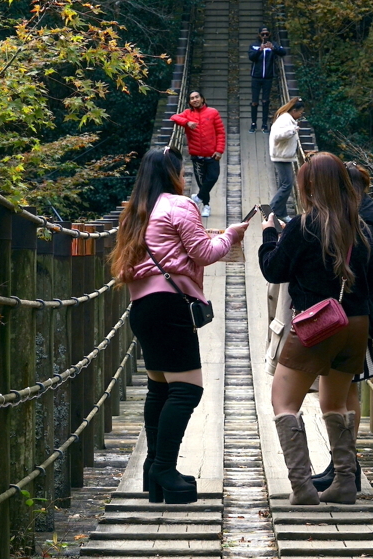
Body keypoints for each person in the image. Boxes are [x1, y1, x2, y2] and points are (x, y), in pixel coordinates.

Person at [111, 147, 249, 504]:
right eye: (182, 171)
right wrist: (231, 234)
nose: (185, 177)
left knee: (159, 388)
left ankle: (155, 470)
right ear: (173, 175)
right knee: (187, 389)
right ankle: (163, 469)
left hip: (142, 307)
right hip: (170, 306)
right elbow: (204, 253)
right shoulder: (179, 205)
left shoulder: (134, 212)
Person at [258, 152, 373, 505]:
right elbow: (370, 283)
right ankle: (343, 483)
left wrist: (269, 235)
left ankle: (303, 488)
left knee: (283, 401)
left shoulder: (304, 225)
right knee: (336, 403)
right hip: (356, 325)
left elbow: (273, 270)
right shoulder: (363, 228)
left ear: (309, 185)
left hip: (317, 322)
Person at [311, 161, 373, 493]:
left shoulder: (358, 221)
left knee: (344, 390)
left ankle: (345, 467)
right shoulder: (360, 216)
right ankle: (342, 465)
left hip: (351, 315)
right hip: (355, 313)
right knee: (347, 389)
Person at [170, 91, 225, 218]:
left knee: (212, 177)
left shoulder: (213, 112)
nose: (195, 100)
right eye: (192, 98)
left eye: (197, 97)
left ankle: (199, 197)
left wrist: (219, 150)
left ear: (202, 98)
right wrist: (187, 123)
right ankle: (206, 205)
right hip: (197, 156)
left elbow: (220, 133)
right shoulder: (188, 114)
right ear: (189, 102)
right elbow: (174, 117)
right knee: (201, 182)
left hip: (212, 154)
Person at [268, 97, 305, 220]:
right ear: (294, 110)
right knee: (287, 184)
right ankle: (271, 210)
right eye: (300, 112)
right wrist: (292, 131)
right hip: (281, 156)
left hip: (283, 156)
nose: (300, 115)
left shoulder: (287, 119)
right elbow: (277, 136)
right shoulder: (285, 119)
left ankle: (281, 213)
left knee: (283, 185)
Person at [248, 26, 287, 134]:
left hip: (268, 77)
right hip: (256, 77)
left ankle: (264, 124)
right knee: (254, 102)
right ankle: (253, 123)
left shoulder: (272, 44)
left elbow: (283, 52)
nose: (265, 36)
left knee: (265, 101)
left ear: (269, 34)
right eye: (263, 34)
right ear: (259, 34)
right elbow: (251, 57)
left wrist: (274, 48)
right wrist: (260, 50)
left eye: (267, 34)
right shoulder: (254, 45)